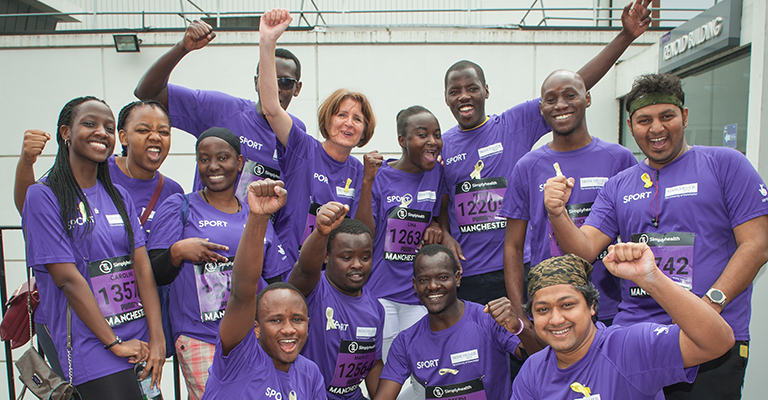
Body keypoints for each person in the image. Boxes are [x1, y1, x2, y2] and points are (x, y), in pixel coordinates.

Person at [543, 73, 768, 398]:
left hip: (708, 335)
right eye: (645, 120)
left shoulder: (725, 165)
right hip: (636, 336)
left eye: (667, 116)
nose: (657, 128)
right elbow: (584, 250)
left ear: (685, 116)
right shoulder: (619, 185)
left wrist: (709, 306)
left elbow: (757, 245)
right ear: (632, 125)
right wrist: (557, 213)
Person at [437, 0, 653, 316]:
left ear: (486, 90)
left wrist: (625, 36)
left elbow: (571, 87)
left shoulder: (512, 124)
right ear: (445, 98)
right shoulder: (441, 145)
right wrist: (443, 231)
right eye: (454, 91)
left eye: (472, 88)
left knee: (522, 352)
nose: (464, 96)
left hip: (522, 270)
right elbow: (437, 199)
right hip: (467, 273)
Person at [13, 99, 184, 378]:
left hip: (132, 325)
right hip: (82, 330)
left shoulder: (155, 192)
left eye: (163, 131)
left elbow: (143, 267)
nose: (154, 137)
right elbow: (31, 211)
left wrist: (158, 336)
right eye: (143, 129)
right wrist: (26, 162)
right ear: (125, 137)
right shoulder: (78, 176)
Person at [147, 127, 289, 399]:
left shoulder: (256, 212)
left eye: (222, 158)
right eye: (204, 159)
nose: (213, 166)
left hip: (250, 338)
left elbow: (275, 281)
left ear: (238, 162)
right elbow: (154, 273)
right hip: (199, 335)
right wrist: (178, 251)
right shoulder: (179, 206)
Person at [500, 70, 636, 325]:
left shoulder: (620, 159)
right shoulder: (527, 166)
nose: (560, 104)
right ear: (541, 108)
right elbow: (513, 246)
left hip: (609, 308)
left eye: (570, 95)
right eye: (550, 99)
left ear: (587, 98)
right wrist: (521, 310)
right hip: (550, 309)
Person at [512, 244, 735, 399]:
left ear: (591, 306)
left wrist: (651, 279)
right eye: (542, 309)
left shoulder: (628, 347)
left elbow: (719, 341)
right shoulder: (533, 369)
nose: (556, 319)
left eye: (567, 305)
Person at [134, 19, 306, 200]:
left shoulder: (295, 130)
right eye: (268, 79)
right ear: (257, 82)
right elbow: (146, 93)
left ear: (297, 89)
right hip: (206, 225)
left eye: (286, 82)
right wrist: (182, 47)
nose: (276, 88)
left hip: (260, 227)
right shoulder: (220, 108)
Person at [259, 8, 377, 265]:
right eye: (341, 114)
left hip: (330, 278)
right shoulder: (303, 147)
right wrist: (268, 42)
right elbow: (271, 108)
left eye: (357, 119)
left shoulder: (359, 171)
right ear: (327, 119)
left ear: (364, 130)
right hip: (288, 270)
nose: (349, 123)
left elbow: (362, 231)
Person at [200, 179, 325, 399]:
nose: (288, 329)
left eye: (297, 319)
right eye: (276, 320)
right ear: (255, 329)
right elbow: (242, 292)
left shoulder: (310, 373)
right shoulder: (241, 358)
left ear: (308, 324)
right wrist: (258, 218)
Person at [373, 245, 541, 400]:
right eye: (424, 280)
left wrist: (519, 328)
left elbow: (543, 360)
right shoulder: (405, 342)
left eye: (442, 277)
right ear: (415, 285)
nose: (433, 286)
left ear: (458, 278)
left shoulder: (489, 320)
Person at [355, 106, 444, 359]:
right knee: (384, 368)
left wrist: (436, 224)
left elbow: (437, 214)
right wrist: (367, 182)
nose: (432, 141)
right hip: (382, 292)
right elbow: (365, 235)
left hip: (419, 295)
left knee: (420, 372)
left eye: (436, 135)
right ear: (402, 142)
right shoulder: (380, 177)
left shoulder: (436, 173)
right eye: (422, 134)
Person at [287, 204, 384, 399]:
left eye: (365, 257)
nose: (357, 264)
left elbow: (374, 364)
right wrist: (321, 233)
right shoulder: (313, 289)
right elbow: (305, 269)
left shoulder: (376, 308)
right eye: (346, 257)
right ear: (326, 256)